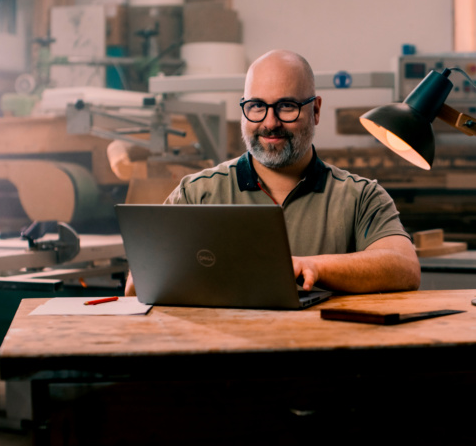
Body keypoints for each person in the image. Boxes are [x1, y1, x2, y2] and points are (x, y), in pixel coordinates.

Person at [124, 49, 420, 296]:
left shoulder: (360, 197)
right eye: (256, 106)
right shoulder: (197, 193)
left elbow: (404, 267)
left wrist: (312, 267)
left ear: (315, 110)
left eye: (287, 106)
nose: (270, 122)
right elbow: (137, 285)